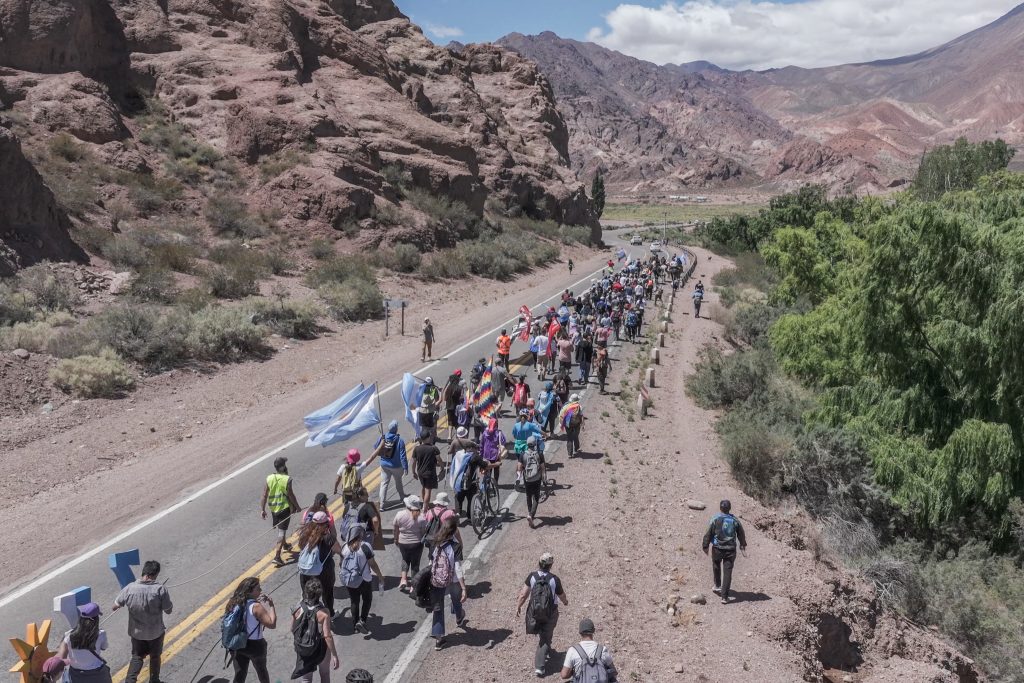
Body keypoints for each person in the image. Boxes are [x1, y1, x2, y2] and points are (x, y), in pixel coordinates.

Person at [111, 560, 173, 683]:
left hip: (137, 633)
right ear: (155, 574)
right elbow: (168, 610)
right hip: (155, 633)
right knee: (155, 657)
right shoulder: (160, 589)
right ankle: (154, 680)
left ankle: (130, 681)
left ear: (144, 572)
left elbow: (114, 606)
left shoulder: (129, 589)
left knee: (137, 657)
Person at [516, 553, 568, 678]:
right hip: (551, 612)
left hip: (534, 611)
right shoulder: (554, 579)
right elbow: (561, 596)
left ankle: (544, 643)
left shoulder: (532, 576)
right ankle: (540, 667)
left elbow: (523, 594)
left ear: (539, 563)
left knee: (542, 631)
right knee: (545, 637)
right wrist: (565, 602)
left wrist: (518, 606)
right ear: (551, 565)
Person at [224, 577, 276, 683]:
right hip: (255, 646)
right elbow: (271, 624)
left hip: (237, 643)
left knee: (240, 674)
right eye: (258, 589)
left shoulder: (233, 603)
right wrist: (271, 606)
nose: (260, 590)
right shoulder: (256, 607)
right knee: (262, 672)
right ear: (250, 591)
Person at [428, 517, 468, 649]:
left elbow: (431, 562)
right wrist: (464, 588)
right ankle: (459, 617)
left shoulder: (435, 542)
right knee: (456, 599)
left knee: (438, 609)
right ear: (453, 531)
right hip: (453, 580)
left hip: (437, 580)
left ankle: (439, 639)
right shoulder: (455, 546)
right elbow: (457, 568)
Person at [290, 579, 339, 682]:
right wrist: (334, 655)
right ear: (320, 594)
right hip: (320, 647)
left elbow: (292, 629)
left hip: (304, 647)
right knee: (324, 674)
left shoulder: (297, 608)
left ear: (306, 591)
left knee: (306, 678)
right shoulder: (324, 612)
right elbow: (327, 636)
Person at [701, 499, 747, 604]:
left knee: (716, 566)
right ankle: (724, 597)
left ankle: (717, 585)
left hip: (717, 548)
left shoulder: (715, 518)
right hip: (730, 550)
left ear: (720, 508)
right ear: (729, 508)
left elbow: (708, 532)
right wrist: (743, 546)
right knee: (728, 572)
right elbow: (741, 534)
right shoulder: (735, 520)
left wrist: (705, 545)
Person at [339, 527, 384, 634]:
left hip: (349, 579)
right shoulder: (365, 546)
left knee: (354, 601)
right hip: (364, 579)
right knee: (367, 600)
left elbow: (341, 564)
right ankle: (362, 620)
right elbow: (372, 564)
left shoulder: (345, 546)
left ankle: (355, 626)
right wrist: (380, 576)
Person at [297, 511, 342, 616]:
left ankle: (307, 614)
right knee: (327, 593)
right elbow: (338, 550)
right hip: (323, 571)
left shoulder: (305, 533)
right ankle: (329, 613)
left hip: (305, 570)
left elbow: (301, 547)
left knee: (307, 593)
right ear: (326, 523)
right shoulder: (328, 537)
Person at [56, 602, 111, 682]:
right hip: (97, 674)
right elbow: (104, 647)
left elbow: (61, 656)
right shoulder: (101, 634)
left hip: (76, 675)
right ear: (96, 619)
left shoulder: (69, 635)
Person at [261, 456, 300, 568]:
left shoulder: (269, 478)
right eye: (285, 465)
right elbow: (291, 495)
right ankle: (277, 556)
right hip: (284, 509)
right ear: (282, 467)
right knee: (281, 532)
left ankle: (286, 545)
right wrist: (297, 507)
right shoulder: (286, 479)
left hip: (274, 509)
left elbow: (264, 495)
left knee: (281, 528)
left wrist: (262, 510)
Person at [365, 421, 408, 510]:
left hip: (384, 464)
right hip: (396, 466)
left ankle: (382, 504)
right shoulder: (400, 440)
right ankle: (402, 497)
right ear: (396, 429)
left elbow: (376, 447)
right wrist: (405, 467)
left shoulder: (383, 437)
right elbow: (402, 455)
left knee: (384, 484)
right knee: (398, 481)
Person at [450, 443, 498, 519]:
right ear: (472, 448)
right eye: (476, 448)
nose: (477, 450)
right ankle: (470, 517)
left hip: (458, 481)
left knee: (458, 498)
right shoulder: (475, 457)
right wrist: (497, 464)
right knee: (471, 498)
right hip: (469, 482)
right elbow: (485, 466)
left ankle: (458, 514)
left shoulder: (458, 454)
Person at [393, 495, 427, 593]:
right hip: (417, 543)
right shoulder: (421, 517)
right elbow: (423, 532)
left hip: (403, 542)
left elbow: (395, 528)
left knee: (405, 559)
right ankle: (413, 585)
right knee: (415, 564)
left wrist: (396, 539)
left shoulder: (399, 514)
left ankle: (403, 579)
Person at [517, 436, 547, 528]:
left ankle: (529, 512)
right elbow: (543, 468)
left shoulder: (523, 455)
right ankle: (531, 515)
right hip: (537, 479)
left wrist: (522, 473)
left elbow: (519, 468)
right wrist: (544, 478)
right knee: (536, 498)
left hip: (527, 479)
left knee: (528, 496)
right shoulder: (539, 454)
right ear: (535, 444)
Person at [412, 430, 441, 506]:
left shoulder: (416, 449)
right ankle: (425, 508)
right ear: (428, 438)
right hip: (429, 473)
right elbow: (439, 459)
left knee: (423, 486)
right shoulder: (433, 448)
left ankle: (424, 502)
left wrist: (413, 472)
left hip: (420, 472)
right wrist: (442, 467)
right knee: (428, 490)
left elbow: (414, 462)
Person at [479, 417, 508, 484]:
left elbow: (481, 445)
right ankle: (496, 483)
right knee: (496, 469)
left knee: (488, 469)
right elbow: (503, 442)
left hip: (486, 455)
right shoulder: (498, 433)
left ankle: (487, 484)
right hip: (496, 455)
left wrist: (481, 454)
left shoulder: (485, 433)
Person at [442, 370, 465, 442]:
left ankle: (449, 436)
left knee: (450, 421)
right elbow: (461, 397)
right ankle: (457, 436)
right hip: (456, 407)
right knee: (457, 422)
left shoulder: (449, 388)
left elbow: (445, 394)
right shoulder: (459, 388)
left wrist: (445, 401)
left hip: (449, 406)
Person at [561, 394, 584, 458]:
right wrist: (583, 424)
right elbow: (581, 416)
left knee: (569, 438)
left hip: (568, 425)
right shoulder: (579, 406)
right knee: (576, 436)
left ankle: (570, 454)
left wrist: (562, 424)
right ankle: (576, 448)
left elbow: (562, 415)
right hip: (576, 424)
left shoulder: (566, 405)